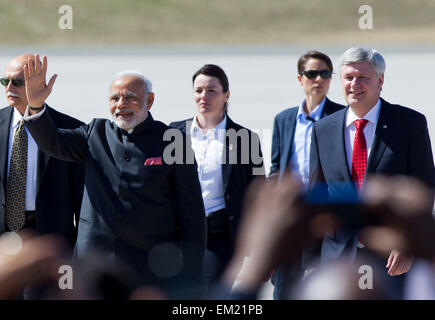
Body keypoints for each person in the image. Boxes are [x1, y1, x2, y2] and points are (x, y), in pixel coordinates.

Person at [22, 54, 206, 299]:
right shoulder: (94, 134)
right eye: (114, 98)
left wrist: (189, 274)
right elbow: (53, 142)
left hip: (149, 268)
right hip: (94, 266)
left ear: (149, 100)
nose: (121, 104)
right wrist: (35, 105)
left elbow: (192, 217)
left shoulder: (174, 142)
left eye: (130, 97)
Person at [308, 46, 435, 296]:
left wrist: (408, 244)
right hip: (337, 259)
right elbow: (316, 197)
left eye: (363, 77)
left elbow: (424, 188)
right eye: (348, 78)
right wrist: (310, 261)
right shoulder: (323, 130)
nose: (354, 84)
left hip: (391, 260)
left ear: (380, 80)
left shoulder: (409, 124)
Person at [169, 64, 264, 296]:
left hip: (220, 235)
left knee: (212, 294)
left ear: (226, 95)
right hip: (179, 234)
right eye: (199, 90)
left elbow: (258, 194)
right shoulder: (174, 134)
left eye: (211, 90)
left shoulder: (244, 139)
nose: (204, 96)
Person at [270, 51, 344, 299]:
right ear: (300, 79)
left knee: (321, 287)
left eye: (325, 74)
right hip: (289, 216)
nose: (319, 79)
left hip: (323, 216)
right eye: (312, 74)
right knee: (282, 289)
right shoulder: (284, 119)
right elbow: (276, 168)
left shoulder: (341, 117)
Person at [0, 54, 84, 246]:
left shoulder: (69, 129)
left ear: (40, 85)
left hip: (50, 237)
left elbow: (81, 197)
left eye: (18, 82)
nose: (9, 88)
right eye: (5, 81)